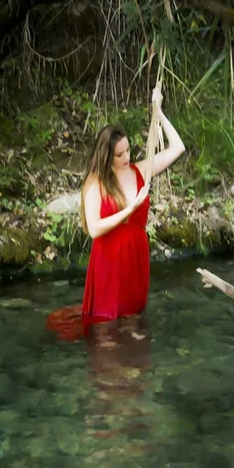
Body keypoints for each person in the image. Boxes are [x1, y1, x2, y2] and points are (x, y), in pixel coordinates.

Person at [81, 86, 185, 321]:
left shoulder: (139, 170)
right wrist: (130, 209)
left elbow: (178, 147)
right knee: (107, 326)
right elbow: (95, 229)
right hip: (109, 258)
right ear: (106, 156)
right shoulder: (95, 183)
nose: (127, 158)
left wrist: (158, 113)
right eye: (120, 154)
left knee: (134, 321)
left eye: (128, 150)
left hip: (136, 254)